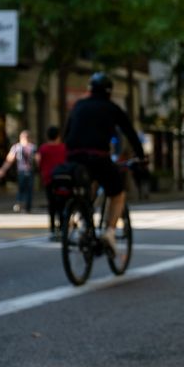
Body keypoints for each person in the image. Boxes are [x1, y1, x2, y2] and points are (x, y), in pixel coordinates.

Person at [63, 72, 146, 253]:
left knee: (87, 186)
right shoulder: (111, 108)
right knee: (117, 194)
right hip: (98, 157)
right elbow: (130, 133)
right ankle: (109, 232)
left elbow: (67, 133)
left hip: (74, 158)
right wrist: (141, 156)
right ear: (109, 91)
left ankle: (82, 218)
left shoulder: (78, 105)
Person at [37, 126, 67, 240]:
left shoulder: (43, 148)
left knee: (52, 204)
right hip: (63, 179)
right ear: (58, 136)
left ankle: (52, 228)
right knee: (62, 204)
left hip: (49, 179)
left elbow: (38, 162)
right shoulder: (64, 148)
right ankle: (62, 227)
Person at [0, 130, 37, 212]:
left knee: (21, 188)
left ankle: (20, 203)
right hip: (29, 171)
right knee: (29, 190)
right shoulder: (33, 147)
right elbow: (38, 159)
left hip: (21, 171)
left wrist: (3, 170)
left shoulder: (16, 147)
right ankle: (27, 207)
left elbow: (9, 160)